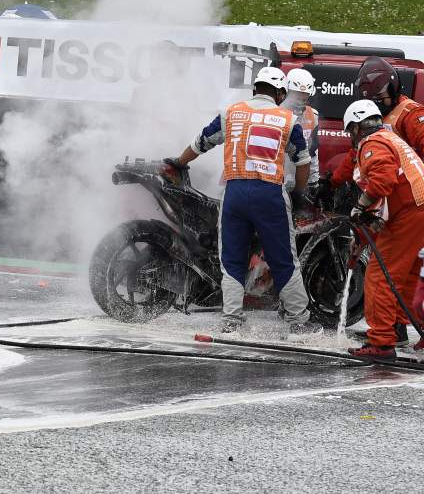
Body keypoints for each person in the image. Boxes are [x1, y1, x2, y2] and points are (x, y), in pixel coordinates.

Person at [167, 67, 321, 336]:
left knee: (232, 260)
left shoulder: (231, 112)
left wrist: (179, 162)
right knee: (284, 259)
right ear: (280, 93)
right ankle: (298, 321)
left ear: (255, 89)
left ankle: (232, 320)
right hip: (270, 194)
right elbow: (303, 161)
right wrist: (298, 192)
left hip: (235, 193)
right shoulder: (287, 119)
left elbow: (201, 141)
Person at [342, 100, 424, 360]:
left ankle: (381, 343)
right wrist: (364, 236)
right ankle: (400, 329)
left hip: (411, 212)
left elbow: (382, 180)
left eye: (350, 132)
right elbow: (387, 200)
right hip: (416, 209)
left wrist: (359, 206)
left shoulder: (373, 143)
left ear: (356, 127)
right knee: (407, 274)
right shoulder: (391, 138)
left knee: (379, 274)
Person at [332, 57, 424, 186]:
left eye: (381, 96)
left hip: (411, 185)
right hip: (389, 185)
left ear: (393, 89)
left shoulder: (410, 114)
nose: (379, 102)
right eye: (373, 98)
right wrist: (333, 183)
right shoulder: (372, 117)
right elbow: (356, 153)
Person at [281, 68, 320, 189]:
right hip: (276, 176)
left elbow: (313, 151)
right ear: (288, 92)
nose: (300, 101)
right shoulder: (276, 112)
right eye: (297, 96)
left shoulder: (313, 116)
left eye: (304, 98)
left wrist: (313, 180)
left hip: (300, 176)